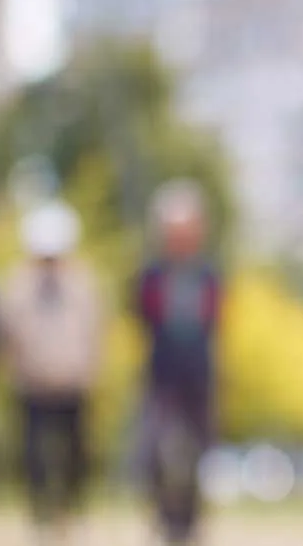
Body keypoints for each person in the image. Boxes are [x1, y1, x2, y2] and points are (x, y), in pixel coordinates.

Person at [0, 200, 105, 543]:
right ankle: (39, 515)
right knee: (32, 458)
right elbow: (7, 332)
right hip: (32, 384)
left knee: (75, 457)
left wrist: (88, 369)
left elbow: (93, 331)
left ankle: (71, 513)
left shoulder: (83, 283)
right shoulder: (16, 284)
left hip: (73, 383)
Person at [131, 181, 224, 545]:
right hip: (161, 377)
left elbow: (212, 324)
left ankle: (190, 522)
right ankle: (163, 517)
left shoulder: (208, 276)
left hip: (198, 377)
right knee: (154, 452)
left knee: (198, 456)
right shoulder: (151, 275)